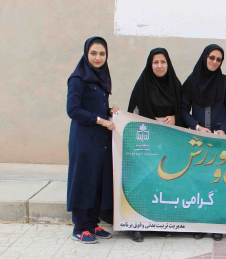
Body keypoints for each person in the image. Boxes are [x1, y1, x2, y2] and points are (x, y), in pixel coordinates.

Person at [182, 44, 226, 241]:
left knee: (218, 183)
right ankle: (200, 224)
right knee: (200, 183)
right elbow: (183, 110)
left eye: (218, 59)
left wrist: (224, 130)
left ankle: (216, 225)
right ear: (205, 57)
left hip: (219, 142)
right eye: (212, 57)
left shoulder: (225, 82)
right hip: (199, 142)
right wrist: (196, 127)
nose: (214, 62)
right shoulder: (191, 81)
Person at [127, 47, 183, 242]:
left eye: (163, 62)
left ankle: (162, 223)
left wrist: (175, 117)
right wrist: (152, 120)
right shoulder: (142, 85)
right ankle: (137, 225)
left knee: (165, 182)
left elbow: (184, 111)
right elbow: (133, 113)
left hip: (168, 144)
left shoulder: (175, 85)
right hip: (147, 144)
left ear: (168, 64)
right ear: (150, 65)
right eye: (156, 62)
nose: (159, 66)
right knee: (145, 182)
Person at [66, 36, 119, 243]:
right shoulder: (78, 79)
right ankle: (80, 227)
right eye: (94, 53)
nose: (98, 58)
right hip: (84, 138)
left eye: (102, 54)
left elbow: (94, 106)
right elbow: (73, 110)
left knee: (97, 180)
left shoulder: (101, 76)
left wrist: (109, 111)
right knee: (84, 179)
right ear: (86, 54)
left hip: (100, 138)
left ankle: (92, 224)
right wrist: (100, 120)